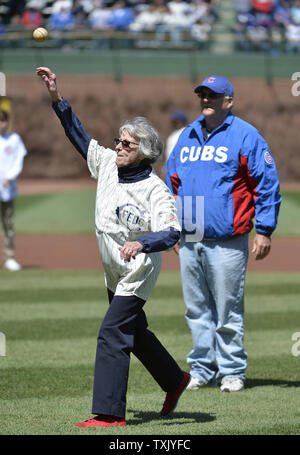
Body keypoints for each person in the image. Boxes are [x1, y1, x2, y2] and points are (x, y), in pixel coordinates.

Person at [36, 66, 190, 427]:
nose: (118, 147)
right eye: (119, 141)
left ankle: (108, 414)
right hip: (112, 269)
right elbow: (77, 133)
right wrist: (56, 97)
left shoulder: (155, 190)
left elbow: (171, 233)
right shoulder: (106, 162)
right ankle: (174, 379)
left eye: (126, 144)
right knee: (134, 332)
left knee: (112, 333)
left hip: (137, 271)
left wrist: (142, 242)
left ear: (145, 152)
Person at [166, 75, 281, 393]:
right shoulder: (187, 135)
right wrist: (174, 227)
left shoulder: (245, 135)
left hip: (228, 237)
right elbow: (172, 182)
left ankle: (231, 371)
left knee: (227, 309)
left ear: (228, 101)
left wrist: (265, 229)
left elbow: (266, 182)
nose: (206, 99)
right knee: (196, 308)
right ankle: (201, 369)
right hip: (192, 234)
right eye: (202, 94)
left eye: (213, 95)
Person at [0, 108, 27, 272]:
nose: (1, 124)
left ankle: (9, 257)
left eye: (3, 121)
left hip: (8, 189)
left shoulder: (14, 139)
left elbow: (18, 160)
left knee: (8, 223)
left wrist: (10, 177)